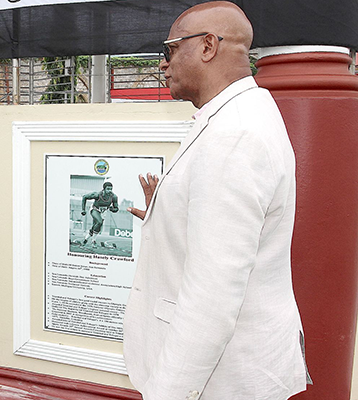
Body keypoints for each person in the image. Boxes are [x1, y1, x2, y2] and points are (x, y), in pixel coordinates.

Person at [121, 3, 309, 400]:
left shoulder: (234, 135)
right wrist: (165, 208)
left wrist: (167, 394)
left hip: (221, 382)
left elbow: (212, 298)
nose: (163, 65)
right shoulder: (236, 116)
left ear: (207, 46)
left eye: (169, 50)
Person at [80, 181, 118, 247]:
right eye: (108, 189)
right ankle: (93, 241)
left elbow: (116, 209)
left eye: (111, 189)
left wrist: (113, 209)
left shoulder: (114, 197)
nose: (110, 191)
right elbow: (84, 197)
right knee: (99, 222)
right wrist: (83, 209)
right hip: (95, 209)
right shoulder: (97, 194)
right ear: (104, 189)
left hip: (104, 212)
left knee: (96, 226)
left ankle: (85, 240)